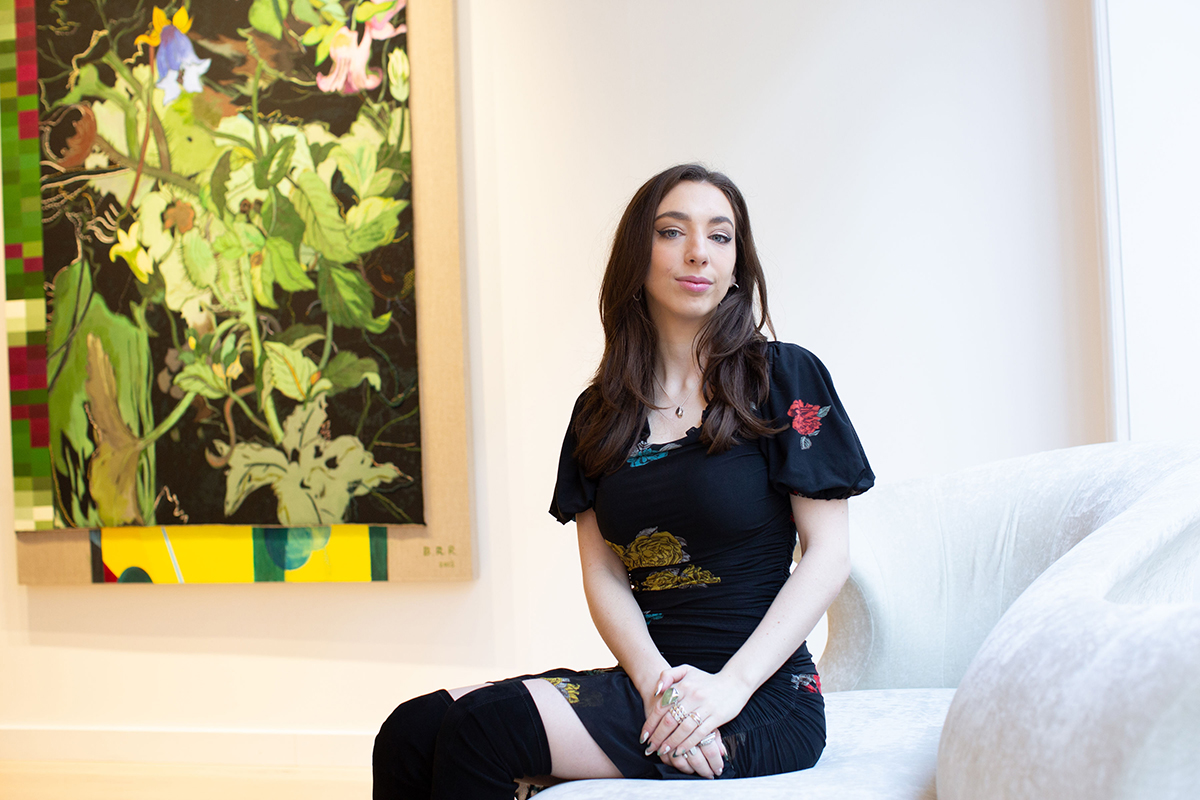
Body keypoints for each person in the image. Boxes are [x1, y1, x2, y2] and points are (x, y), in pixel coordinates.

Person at [373, 163, 874, 798]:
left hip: (758, 697)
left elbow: (828, 556)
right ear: (638, 253)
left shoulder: (782, 379)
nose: (699, 252)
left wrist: (724, 691)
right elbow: (604, 572)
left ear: (737, 264)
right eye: (673, 232)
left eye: (721, 237)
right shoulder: (600, 413)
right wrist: (656, 687)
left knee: (484, 729)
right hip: (652, 682)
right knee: (411, 729)